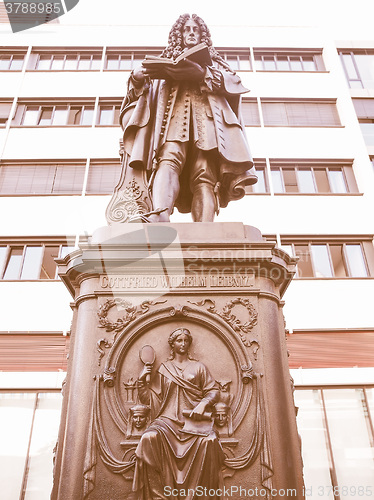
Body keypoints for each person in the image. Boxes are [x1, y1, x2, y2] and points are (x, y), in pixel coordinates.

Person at [120, 13, 257, 222]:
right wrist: (136, 78)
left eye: (196, 30)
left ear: (203, 35)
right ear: (179, 34)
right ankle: (160, 216)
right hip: (172, 119)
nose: (192, 33)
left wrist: (202, 74)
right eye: (187, 29)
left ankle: (205, 228)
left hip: (208, 121)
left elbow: (234, 82)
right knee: (168, 160)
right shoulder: (165, 59)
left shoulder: (215, 62)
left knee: (204, 174)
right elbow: (142, 92)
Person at [133, 328, 225, 499]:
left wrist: (203, 404)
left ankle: (202, 495)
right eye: (179, 340)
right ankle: (159, 495)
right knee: (148, 438)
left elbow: (213, 391)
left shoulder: (199, 367)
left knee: (210, 440)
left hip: (193, 423)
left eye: (185, 341)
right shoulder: (164, 369)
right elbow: (152, 399)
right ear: (172, 344)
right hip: (167, 421)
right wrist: (141, 381)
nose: (183, 344)